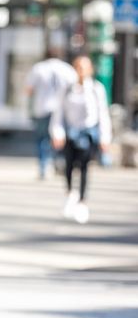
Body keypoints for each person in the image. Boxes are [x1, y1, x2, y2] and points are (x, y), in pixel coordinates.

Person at [50, 54, 112, 224]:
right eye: (78, 67)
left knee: (84, 167)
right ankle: (71, 193)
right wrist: (57, 133)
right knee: (69, 165)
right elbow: (59, 113)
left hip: (88, 134)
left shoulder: (96, 89)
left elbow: (103, 114)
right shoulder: (67, 89)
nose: (81, 71)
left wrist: (105, 137)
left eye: (84, 68)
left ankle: (82, 201)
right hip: (70, 133)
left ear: (90, 70)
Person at [25, 48, 77, 179]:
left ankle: (43, 167)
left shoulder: (38, 68)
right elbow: (76, 87)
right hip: (61, 108)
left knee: (42, 139)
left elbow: (29, 89)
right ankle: (58, 163)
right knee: (59, 137)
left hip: (42, 107)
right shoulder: (67, 69)